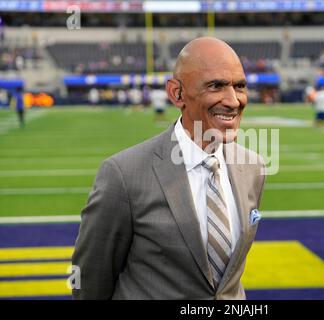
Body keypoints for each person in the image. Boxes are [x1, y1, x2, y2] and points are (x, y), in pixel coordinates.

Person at [72, 37, 266, 300]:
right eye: (216, 86)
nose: (233, 101)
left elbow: (226, 282)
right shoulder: (124, 174)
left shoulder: (252, 168)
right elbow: (90, 282)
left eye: (240, 86)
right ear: (177, 94)